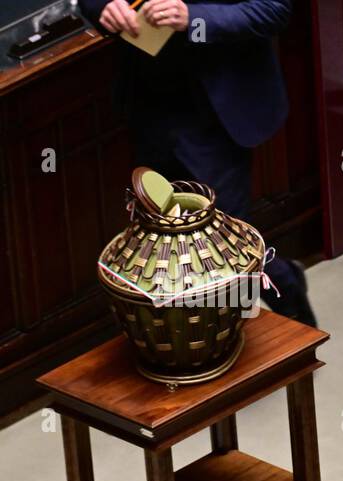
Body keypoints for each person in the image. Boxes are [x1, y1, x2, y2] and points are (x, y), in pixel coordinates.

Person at [81, 0, 316, 326]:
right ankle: (213, 330)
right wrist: (102, 7)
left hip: (215, 112)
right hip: (148, 103)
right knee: (167, 234)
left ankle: (279, 295)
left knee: (223, 243)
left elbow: (273, 9)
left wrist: (193, 18)